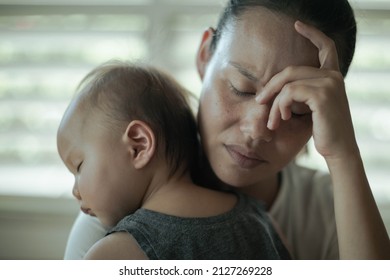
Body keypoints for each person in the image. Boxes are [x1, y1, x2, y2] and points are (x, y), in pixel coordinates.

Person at [64, 0, 390, 260]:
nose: (256, 129)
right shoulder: (114, 210)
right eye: (241, 87)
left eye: (296, 110)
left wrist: (344, 155)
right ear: (205, 55)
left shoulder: (331, 208)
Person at [57, 60, 291, 259]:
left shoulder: (111, 255)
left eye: (79, 166)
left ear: (139, 146)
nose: (75, 191)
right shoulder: (262, 222)